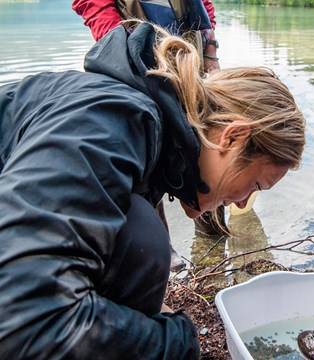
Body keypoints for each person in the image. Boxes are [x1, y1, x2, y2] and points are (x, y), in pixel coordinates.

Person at [0, 21, 305, 358]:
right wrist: (177, 343)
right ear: (232, 137)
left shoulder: (155, 136)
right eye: (255, 184)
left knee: (140, 239)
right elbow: (23, 315)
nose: (245, 200)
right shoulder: (108, 121)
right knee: (143, 238)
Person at [73, 0, 225, 272]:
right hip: (136, 52)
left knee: (207, 141)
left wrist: (210, 53)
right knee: (147, 151)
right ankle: (160, 254)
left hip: (192, 53)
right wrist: (120, 50)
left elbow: (205, 5)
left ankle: (213, 247)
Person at [72, 0, 220, 73]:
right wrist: (120, 53)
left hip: (191, 63)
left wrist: (210, 49)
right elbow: (95, 7)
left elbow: (204, 5)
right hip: (141, 65)